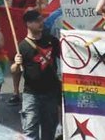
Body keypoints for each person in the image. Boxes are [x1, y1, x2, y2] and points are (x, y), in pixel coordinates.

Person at [13, 9, 60, 140]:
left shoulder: (52, 41)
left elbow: (66, 59)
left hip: (51, 93)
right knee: (29, 132)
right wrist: (16, 63)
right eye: (37, 21)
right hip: (31, 94)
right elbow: (14, 71)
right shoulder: (22, 47)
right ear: (28, 24)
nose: (41, 23)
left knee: (49, 130)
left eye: (41, 20)